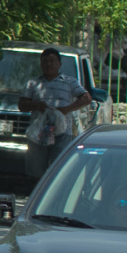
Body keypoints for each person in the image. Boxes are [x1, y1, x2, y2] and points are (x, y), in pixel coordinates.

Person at [18, 47, 92, 178]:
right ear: (41, 64)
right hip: (38, 134)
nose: (48, 64)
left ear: (59, 64)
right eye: (45, 61)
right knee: (36, 172)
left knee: (58, 170)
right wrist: (36, 105)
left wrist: (66, 109)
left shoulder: (70, 82)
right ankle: (37, 194)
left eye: (52, 61)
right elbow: (21, 105)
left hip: (62, 133)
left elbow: (86, 98)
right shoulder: (33, 83)